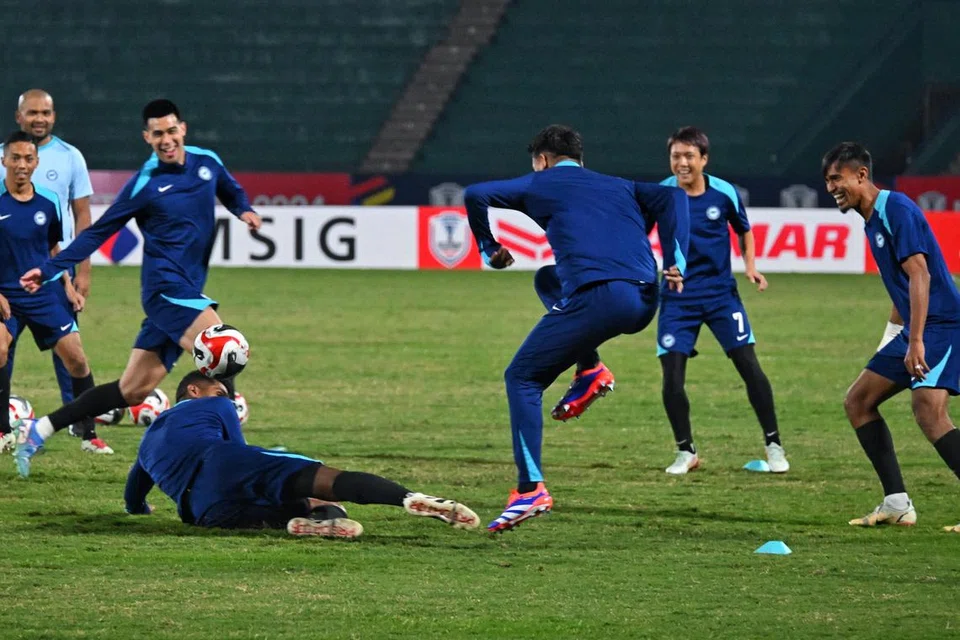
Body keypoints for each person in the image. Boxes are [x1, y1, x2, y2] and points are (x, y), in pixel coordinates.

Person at [14, 99, 262, 477]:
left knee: (132, 391)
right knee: (223, 349)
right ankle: (237, 458)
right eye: (157, 134)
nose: (166, 139)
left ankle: (41, 427)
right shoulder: (145, 184)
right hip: (166, 290)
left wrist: (243, 209)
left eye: (171, 130)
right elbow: (98, 231)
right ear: (147, 137)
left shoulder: (207, 162)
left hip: (187, 288)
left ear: (183, 129)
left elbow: (230, 190)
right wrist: (50, 269)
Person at [464, 125, 689, 533]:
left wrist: (488, 247)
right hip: (644, 300)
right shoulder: (619, 185)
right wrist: (675, 257)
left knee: (522, 378)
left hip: (601, 298)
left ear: (542, 160)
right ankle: (590, 370)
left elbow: (475, 195)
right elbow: (672, 196)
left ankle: (530, 488)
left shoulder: (541, 182)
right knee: (547, 279)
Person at [124, 371, 480, 536]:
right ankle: (410, 498)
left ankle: (305, 525)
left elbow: (133, 492)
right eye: (219, 389)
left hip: (200, 510)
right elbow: (236, 451)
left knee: (285, 512)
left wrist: (139, 508)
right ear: (194, 389)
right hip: (222, 464)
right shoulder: (217, 406)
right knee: (324, 483)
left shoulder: (146, 443)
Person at [823, 141, 960, 532]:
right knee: (858, 401)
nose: (831, 187)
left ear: (861, 175)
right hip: (918, 327)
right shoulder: (871, 218)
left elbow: (920, 274)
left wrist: (915, 341)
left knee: (929, 412)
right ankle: (897, 504)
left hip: (942, 326)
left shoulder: (895, 209)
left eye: (837, 178)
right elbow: (901, 286)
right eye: (828, 180)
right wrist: (892, 338)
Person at [656, 127, 788, 475]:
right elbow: (638, 235)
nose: (681, 163)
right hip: (676, 297)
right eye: (675, 156)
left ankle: (774, 446)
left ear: (704, 159)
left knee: (750, 367)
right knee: (672, 378)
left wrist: (750, 267)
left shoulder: (723, 192)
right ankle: (686, 451)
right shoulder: (661, 194)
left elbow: (744, 229)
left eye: (688, 156)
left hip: (720, 296)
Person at [0, 90, 108, 452]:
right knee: (1, 352)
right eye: (32, 112)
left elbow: (66, 232)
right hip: (5, 285)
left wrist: (76, 276)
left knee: (74, 357)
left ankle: (86, 430)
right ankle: (2, 430)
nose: (39, 118)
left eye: (45, 111)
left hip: (46, 283)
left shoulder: (63, 170)